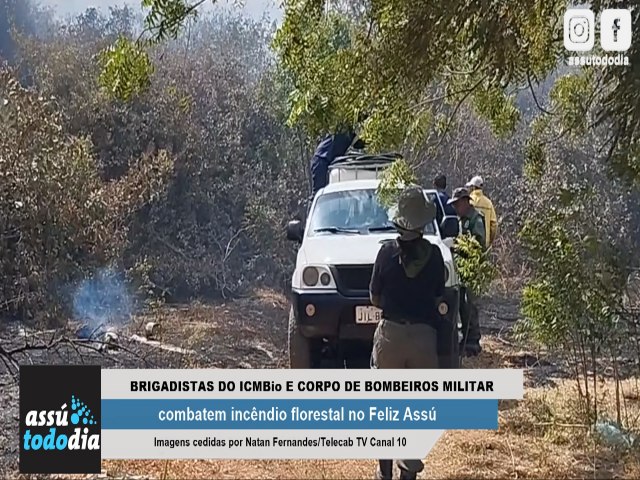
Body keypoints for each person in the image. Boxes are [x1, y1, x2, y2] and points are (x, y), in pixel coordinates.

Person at [369, 185, 443, 480]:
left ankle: (384, 471)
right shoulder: (435, 255)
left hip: (391, 336)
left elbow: (375, 297)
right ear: (423, 222)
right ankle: (408, 472)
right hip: (424, 338)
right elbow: (439, 296)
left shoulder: (386, 253)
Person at [447, 187, 486, 356]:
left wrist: (460, 248)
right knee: (463, 304)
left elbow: (479, 244)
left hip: (472, 267)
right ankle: (466, 339)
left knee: (470, 303)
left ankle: (473, 341)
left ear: (465, 202)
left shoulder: (475, 219)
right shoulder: (462, 220)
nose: (455, 208)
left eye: (457, 204)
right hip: (462, 268)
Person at [310, 130, 365, 197]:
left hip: (323, 160)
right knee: (318, 193)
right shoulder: (347, 134)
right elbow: (358, 144)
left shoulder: (344, 132)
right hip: (321, 160)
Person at [465, 175, 498, 246]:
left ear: (473, 187)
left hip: (469, 243)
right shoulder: (488, 203)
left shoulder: (468, 201)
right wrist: (489, 241)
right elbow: (494, 225)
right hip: (484, 243)